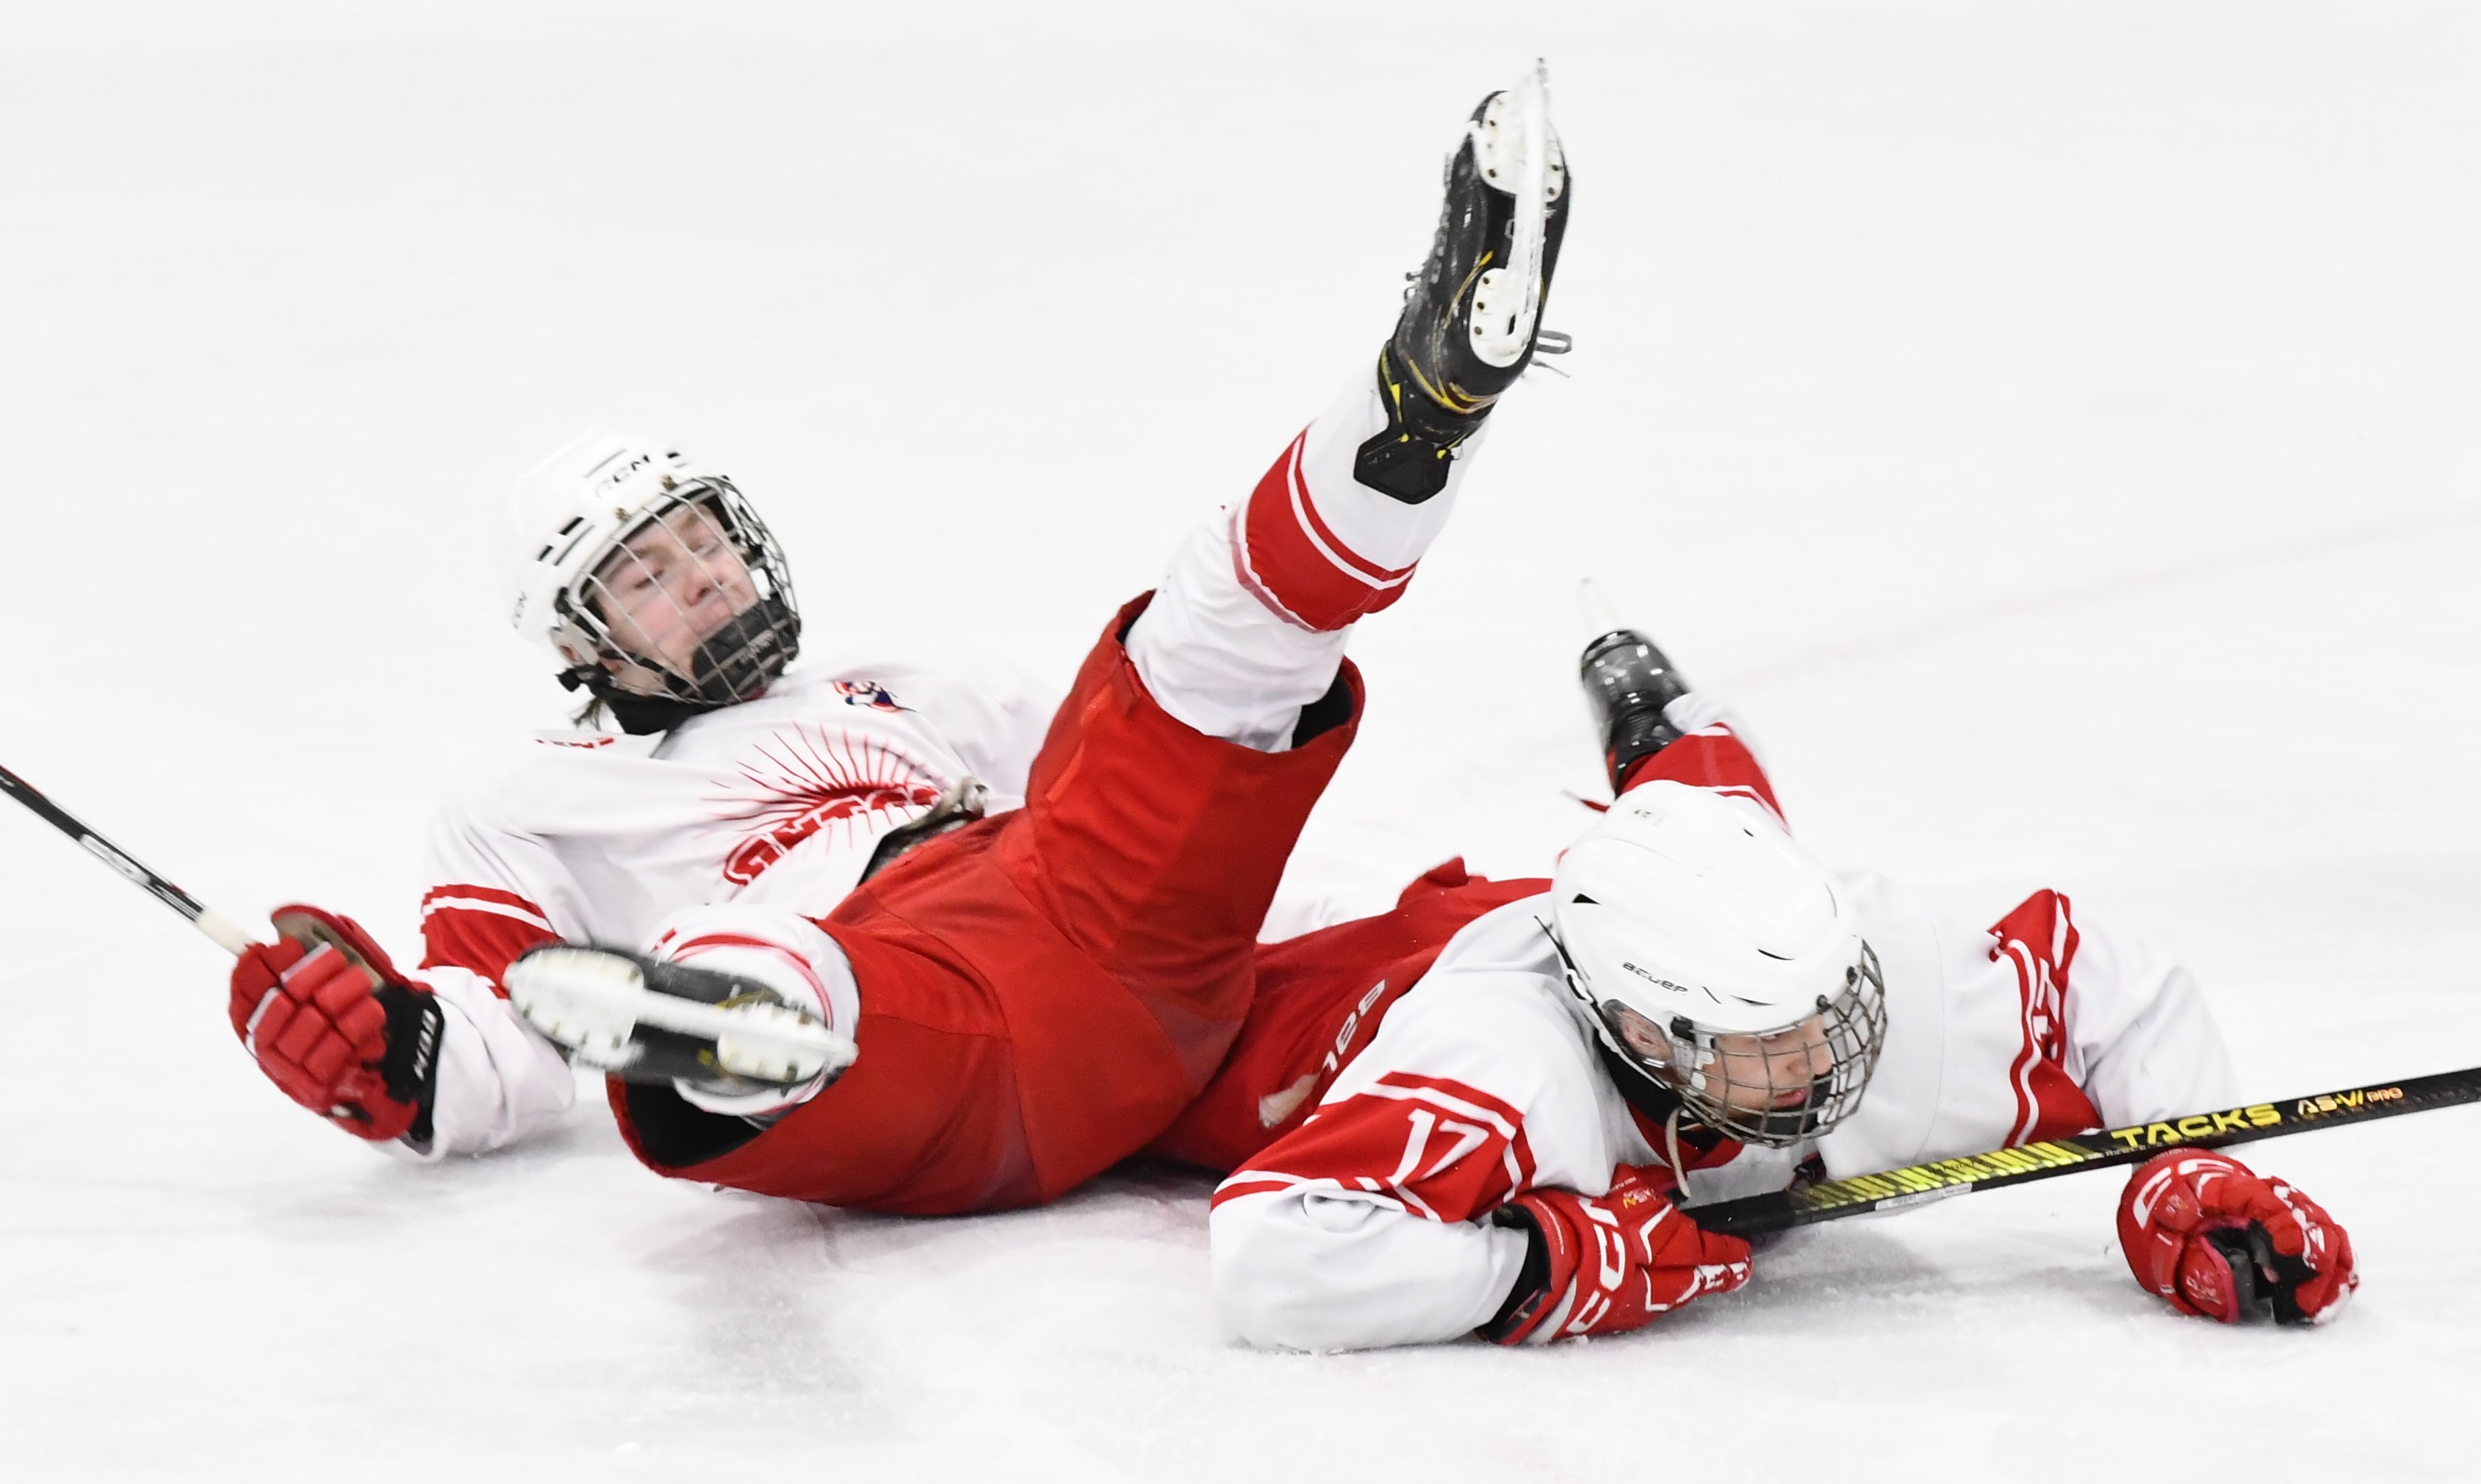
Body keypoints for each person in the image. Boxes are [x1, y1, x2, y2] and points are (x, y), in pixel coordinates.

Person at [223, 68, 1574, 1215]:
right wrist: (391, 1050)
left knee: (1249, 697)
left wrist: (1345, 916)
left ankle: (1419, 400)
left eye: (703, 539)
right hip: (939, 1013)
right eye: (644, 574)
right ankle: (730, 1035)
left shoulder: (919, 689)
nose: (699, 579)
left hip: (1149, 991)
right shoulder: (521, 799)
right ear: (579, 639)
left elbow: (1144, 826)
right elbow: (505, 1038)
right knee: (778, 967)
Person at [1177, 627, 2359, 1347]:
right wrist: (1529, 1271)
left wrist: (2190, 1166)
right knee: (1155, 1049)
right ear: (1639, 1032)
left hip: (1610, 904)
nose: (1820, 1059)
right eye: (1762, 1039)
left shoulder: (1863, 982)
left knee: (1730, 830)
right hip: (1347, 1003)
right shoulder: (1501, 1064)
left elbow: (2115, 988)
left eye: (1821, 1008)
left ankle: (1670, 732)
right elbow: (1277, 1252)